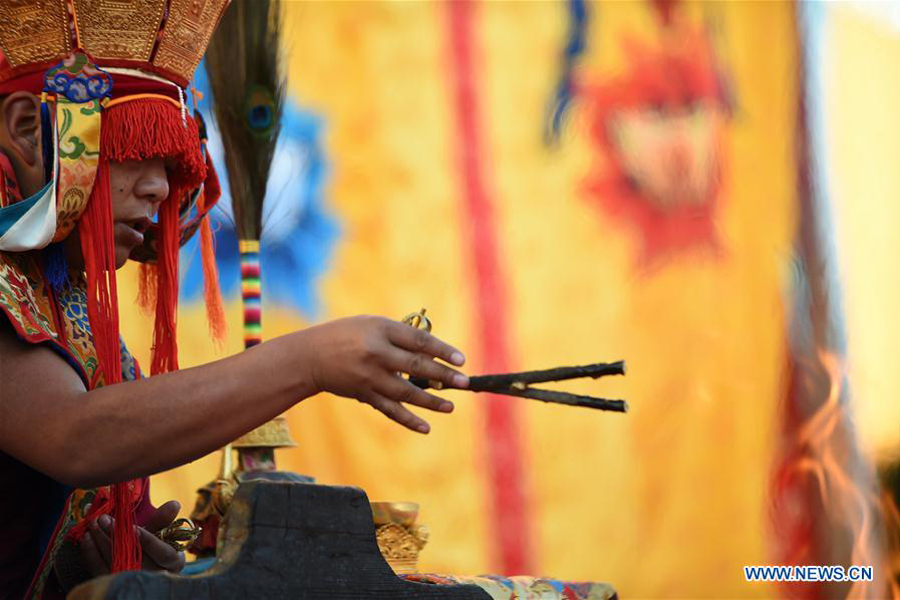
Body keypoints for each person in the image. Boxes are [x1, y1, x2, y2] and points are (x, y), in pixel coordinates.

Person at [0, 3, 468, 598]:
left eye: (172, 163)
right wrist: (310, 360)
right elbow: (73, 436)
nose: (161, 187)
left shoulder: (72, 313)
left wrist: (87, 572)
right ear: (22, 128)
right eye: (135, 145)